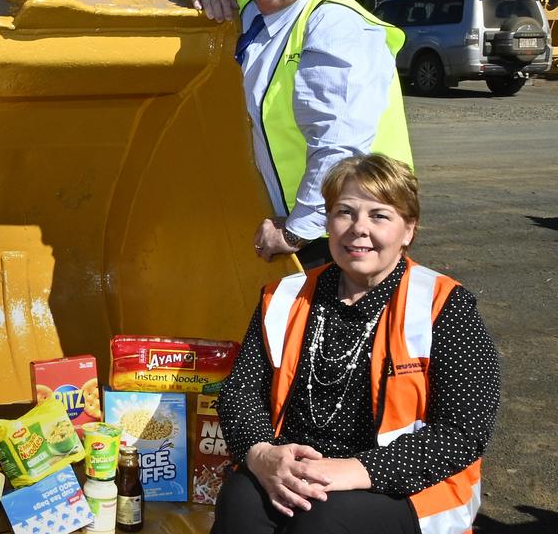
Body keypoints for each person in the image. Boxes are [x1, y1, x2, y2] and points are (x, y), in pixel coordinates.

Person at [212, 154, 499, 534]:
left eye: (379, 215)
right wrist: (263, 455)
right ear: (328, 222)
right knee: (240, 500)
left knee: (323, 522)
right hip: (300, 466)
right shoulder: (284, 296)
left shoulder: (445, 305)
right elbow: (240, 391)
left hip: (404, 481)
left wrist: (356, 470)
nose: (358, 229)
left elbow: (463, 431)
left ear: (408, 230)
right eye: (344, 212)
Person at [189, 0, 413, 269]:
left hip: (347, 233)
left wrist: (295, 232)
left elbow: (339, 147)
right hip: (306, 222)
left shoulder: (337, 27)